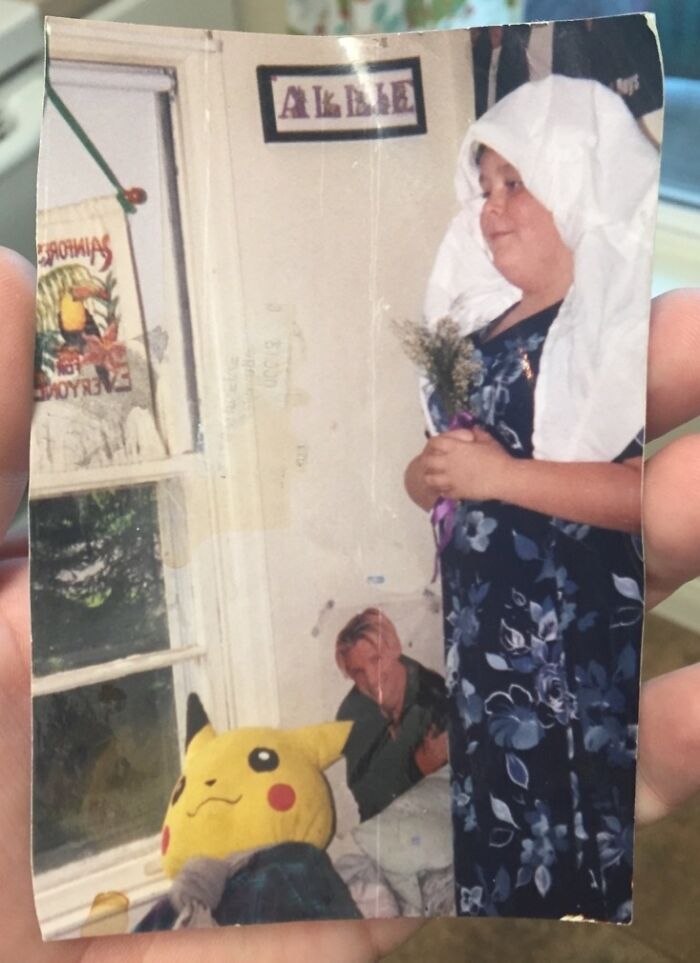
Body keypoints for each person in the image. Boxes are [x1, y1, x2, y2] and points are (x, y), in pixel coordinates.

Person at [1, 240, 700, 955]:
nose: (367, 678)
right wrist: (420, 763)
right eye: (357, 673)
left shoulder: (433, 679)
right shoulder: (355, 714)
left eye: (369, 661)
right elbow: (370, 791)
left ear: (392, 643)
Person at [404, 75, 662, 920]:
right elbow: (444, 469)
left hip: (575, 645)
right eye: (484, 188)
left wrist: (499, 477)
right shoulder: (478, 329)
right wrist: (429, 474)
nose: (490, 207)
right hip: (487, 649)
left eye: (515, 183)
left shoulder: (620, 329)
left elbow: (643, 496)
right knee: (507, 858)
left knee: (581, 852)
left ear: (576, 182)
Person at [335, 608, 448, 821]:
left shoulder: (434, 693)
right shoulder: (350, 716)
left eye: (375, 660)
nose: (371, 679)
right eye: (358, 672)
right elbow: (368, 800)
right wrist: (417, 768)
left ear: (394, 649)